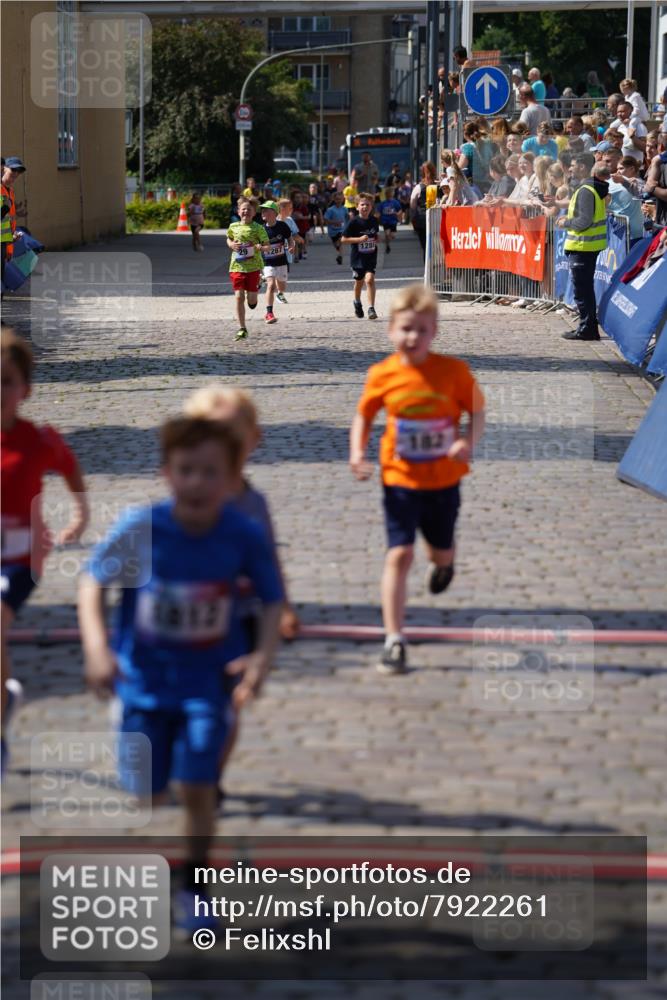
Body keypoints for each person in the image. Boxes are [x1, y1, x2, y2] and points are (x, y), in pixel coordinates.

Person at [79, 415, 283, 930]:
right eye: (186, 470)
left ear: (232, 478)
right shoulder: (141, 527)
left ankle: (195, 882)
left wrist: (260, 658)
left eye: (210, 472)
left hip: (206, 686)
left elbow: (274, 602)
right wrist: (98, 649)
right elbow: (90, 585)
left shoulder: (243, 534)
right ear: (166, 473)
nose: (197, 483)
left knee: (198, 787)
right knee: (147, 793)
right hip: (142, 683)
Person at [349, 284, 485, 675]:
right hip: (400, 479)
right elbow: (364, 416)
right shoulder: (382, 374)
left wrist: (466, 443)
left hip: (444, 481)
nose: (413, 337)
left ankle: (445, 563)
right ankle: (394, 639)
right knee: (400, 554)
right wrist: (357, 452)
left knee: (440, 550)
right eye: (406, 329)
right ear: (391, 329)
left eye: (421, 330)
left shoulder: (453, 372)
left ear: (434, 332)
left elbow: (477, 412)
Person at [1, 330, 89, 769]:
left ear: (25, 389)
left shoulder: (38, 441)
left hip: (20, 559)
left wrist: (82, 514)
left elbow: (70, 468)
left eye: (6, 381)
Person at [556, 156, 609, 341]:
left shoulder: (586, 190)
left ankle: (587, 329)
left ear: (583, 167)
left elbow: (584, 221)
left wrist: (565, 222)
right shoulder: (589, 188)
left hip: (583, 246)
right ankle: (587, 327)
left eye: (572, 165)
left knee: (583, 290)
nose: (570, 169)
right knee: (584, 289)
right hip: (586, 246)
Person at [226, 197, 270, 342]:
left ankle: (257, 285)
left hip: (253, 267)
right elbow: (229, 238)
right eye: (243, 209)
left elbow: (267, 245)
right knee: (239, 297)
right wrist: (231, 244)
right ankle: (242, 328)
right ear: (238, 212)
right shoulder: (233, 226)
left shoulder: (258, 228)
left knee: (252, 302)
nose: (246, 211)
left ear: (254, 212)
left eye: (249, 209)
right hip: (237, 266)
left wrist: (259, 247)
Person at [341, 192, 380, 321]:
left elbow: (375, 234)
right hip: (357, 258)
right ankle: (357, 302)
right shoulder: (353, 222)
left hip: (371, 256)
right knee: (359, 282)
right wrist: (359, 239)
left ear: (371, 206)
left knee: (369, 280)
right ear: (357, 207)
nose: (365, 207)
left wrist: (376, 239)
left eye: (367, 205)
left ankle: (371, 308)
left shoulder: (374, 220)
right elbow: (343, 239)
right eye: (362, 204)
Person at [259, 200, 293, 325]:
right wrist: (261, 247)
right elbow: (257, 245)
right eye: (262, 210)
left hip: (282, 262)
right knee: (271, 285)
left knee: (282, 287)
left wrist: (291, 246)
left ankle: (279, 293)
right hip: (268, 262)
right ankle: (269, 313)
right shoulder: (261, 229)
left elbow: (290, 238)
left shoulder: (282, 226)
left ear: (274, 213)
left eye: (266, 210)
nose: (263, 212)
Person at [1, 157, 26, 287]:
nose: (14, 176)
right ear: (3, 168)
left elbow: (8, 219)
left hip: (5, 242)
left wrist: (12, 234)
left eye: (17, 175)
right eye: (12, 171)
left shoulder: (10, 191)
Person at [458, 121, 497, 193]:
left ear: (465, 134)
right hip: (489, 182)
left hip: (474, 185)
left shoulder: (467, 147)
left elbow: (460, 167)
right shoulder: (487, 144)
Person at [410, 161, 437, 258]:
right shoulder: (440, 185)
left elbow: (412, 203)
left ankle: (428, 270)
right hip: (437, 220)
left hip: (423, 220)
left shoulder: (419, 187)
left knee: (425, 246)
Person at [323, 189, 348, 265]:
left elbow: (346, 217)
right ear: (334, 199)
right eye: (337, 199)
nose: (339, 201)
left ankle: (340, 256)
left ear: (343, 199)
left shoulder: (344, 209)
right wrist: (334, 222)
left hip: (342, 229)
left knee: (340, 241)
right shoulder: (330, 210)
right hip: (332, 231)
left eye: (340, 199)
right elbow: (326, 220)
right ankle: (339, 254)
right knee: (336, 245)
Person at [377, 185, 402, 254]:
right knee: (387, 234)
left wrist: (398, 214)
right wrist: (377, 218)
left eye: (390, 194)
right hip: (385, 221)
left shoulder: (395, 202)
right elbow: (378, 212)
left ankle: (386, 241)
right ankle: (387, 246)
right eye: (388, 194)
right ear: (386, 195)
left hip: (393, 221)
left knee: (392, 236)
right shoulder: (383, 203)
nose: (389, 196)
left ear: (392, 194)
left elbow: (400, 210)